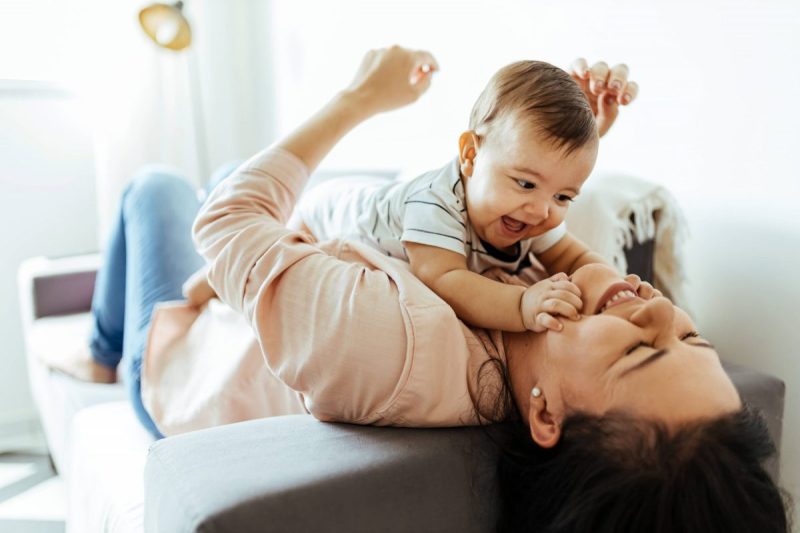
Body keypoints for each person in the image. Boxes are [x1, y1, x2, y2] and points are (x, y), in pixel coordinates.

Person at [55, 46, 790, 530]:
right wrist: (578, 138)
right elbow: (580, 256)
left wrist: (358, 98)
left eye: (641, 351)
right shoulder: (542, 327)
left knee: (156, 189)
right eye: (691, 334)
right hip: (300, 266)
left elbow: (226, 224)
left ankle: (104, 349)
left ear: (545, 414)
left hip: (179, 370)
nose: (657, 305)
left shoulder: (396, 346)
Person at [292, 57, 641, 333]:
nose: (541, 211)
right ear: (471, 156)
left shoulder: (532, 210)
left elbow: (575, 259)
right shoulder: (434, 204)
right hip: (325, 213)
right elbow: (446, 281)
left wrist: (616, 289)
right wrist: (522, 305)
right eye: (525, 183)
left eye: (564, 197)